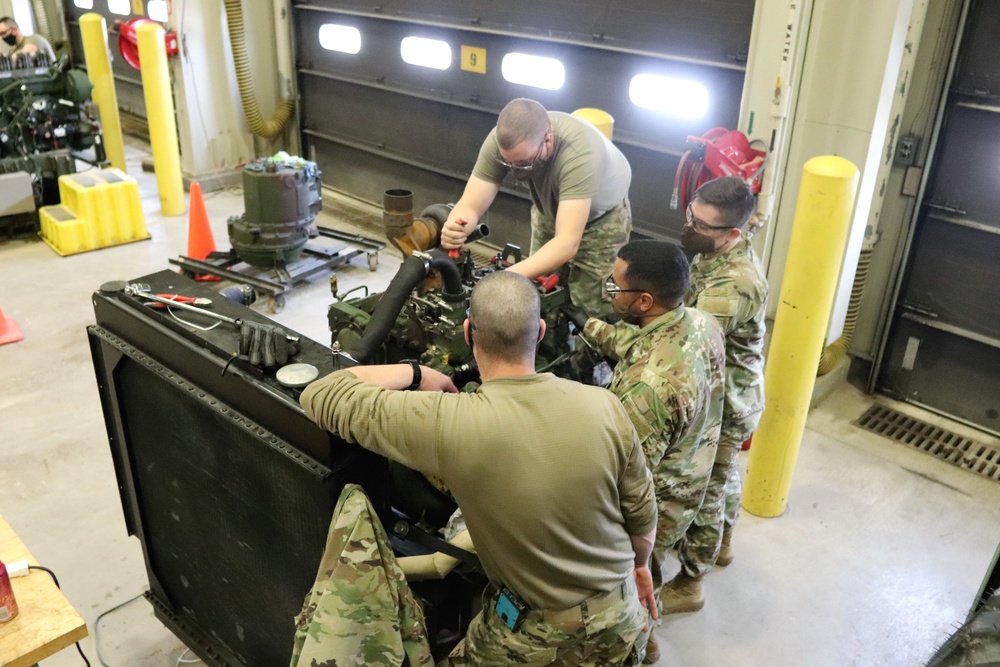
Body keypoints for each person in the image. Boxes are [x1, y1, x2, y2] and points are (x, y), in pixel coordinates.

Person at [301, 271, 659, 666]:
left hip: (535, 635)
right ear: (540, 332)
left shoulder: (450, 423)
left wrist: (415, 373)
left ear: (469, 333)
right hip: (622, 613)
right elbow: (642, 518)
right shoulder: (604, 406)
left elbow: (321, 394)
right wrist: (640, 568)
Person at [578, 240, 725, 664]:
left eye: (615, 286)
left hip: (661, 501)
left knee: (636, 578)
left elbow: (623, 478)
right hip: (695, 467)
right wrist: (591, 327)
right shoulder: (699, 322)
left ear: (643, 300)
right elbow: (643, 346)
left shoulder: (648, 392)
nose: (609, 290)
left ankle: (641, 647)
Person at [661, 176, 768, 614]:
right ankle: (722, 545)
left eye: (703, 226)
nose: (692, 229)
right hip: (726, 390)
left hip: (729, 402)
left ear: (733, 234)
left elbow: (689, 342)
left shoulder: (735, 283)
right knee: (725, 480)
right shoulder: (716, 252)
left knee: (705, 490)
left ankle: (690, 584)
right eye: (692, 215)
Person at [440, 98, 632, 318]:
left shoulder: (579, 155)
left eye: (522, 163)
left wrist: (506, 278)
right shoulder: (504, 141)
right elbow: (471, 205)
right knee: (537, 293)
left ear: (548, 140)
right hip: (548, 212)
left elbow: (567, 242)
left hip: (601, 224)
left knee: (592, 306)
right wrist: (456, 227)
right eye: (507, 163)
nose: (514, 169)